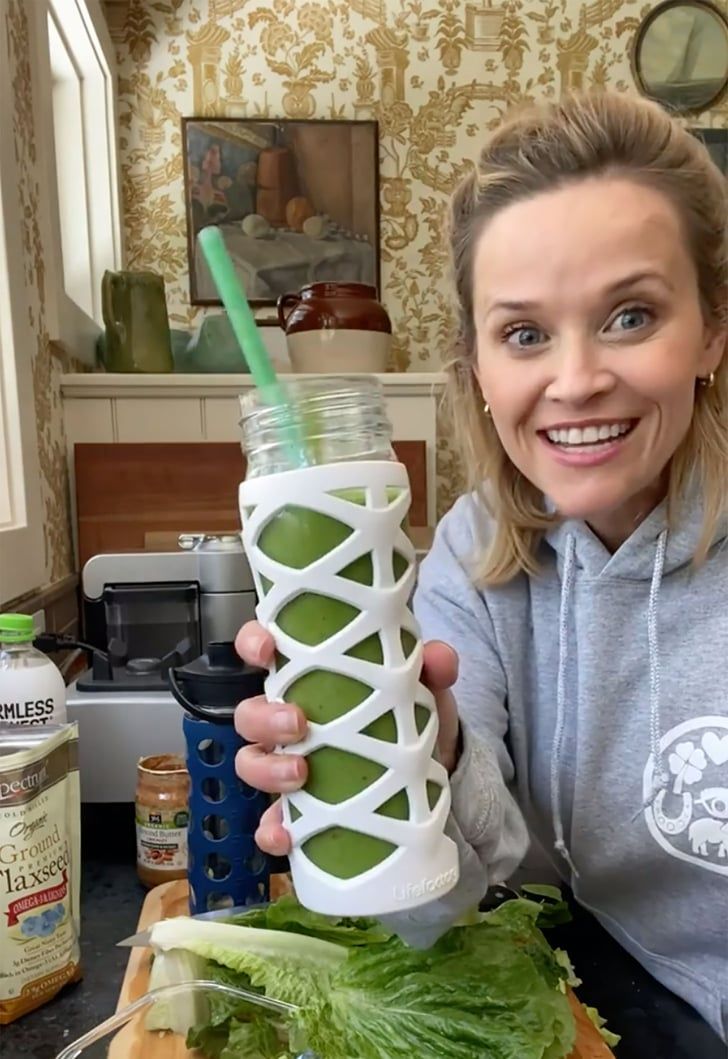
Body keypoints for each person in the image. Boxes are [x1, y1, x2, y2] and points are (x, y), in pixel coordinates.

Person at [233, 92, 728, 1042]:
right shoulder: (471, 551)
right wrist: (421, 762)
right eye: (526, 333)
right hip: (608, 993)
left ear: (711, 330)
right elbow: (443, 901)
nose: (575, 379)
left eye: (631, 315)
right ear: (477, 366)